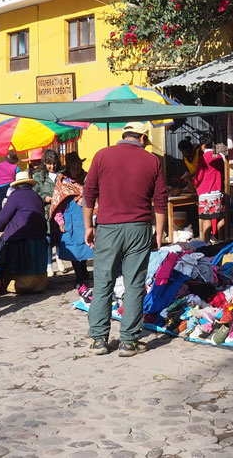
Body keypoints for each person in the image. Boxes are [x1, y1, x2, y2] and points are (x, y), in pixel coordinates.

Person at [83, 120, 166, 357]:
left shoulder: (101, 156)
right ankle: (129, 342)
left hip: (107, 228)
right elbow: (160, 200)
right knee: (134, 285)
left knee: (103, 282)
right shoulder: (152, 161)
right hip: (139, 229)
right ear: (142, 139)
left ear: (124, 135)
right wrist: (158, 233)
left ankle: (99, 340)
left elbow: (89, 192)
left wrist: (88, 225)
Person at [0, 171, 49, 297]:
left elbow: (1, 221)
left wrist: (0, 226)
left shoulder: (15, 197)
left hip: (20, 237)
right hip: (39, 237)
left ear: (16, 186)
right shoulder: (36, 196)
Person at [0, 149, 20, 215]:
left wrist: (0, 181)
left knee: (0, 208)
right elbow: (18, 180)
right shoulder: (16, 168)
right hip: (11, 188)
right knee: (11, 208)